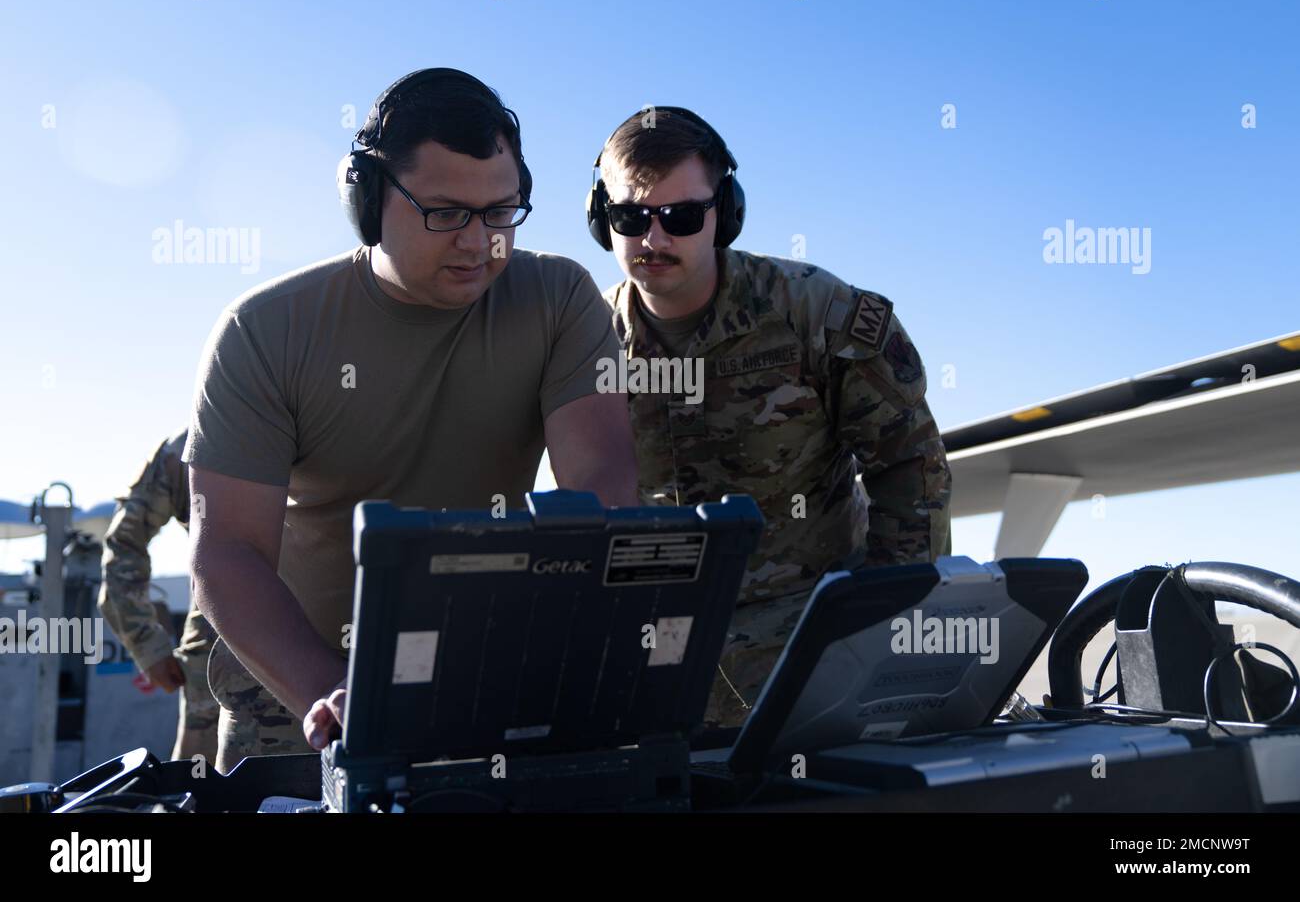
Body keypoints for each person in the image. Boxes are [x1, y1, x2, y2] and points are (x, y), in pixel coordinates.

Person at [185, 69, 638, 772]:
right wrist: (332, 689)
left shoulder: (560, 300)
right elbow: (226, 554)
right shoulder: (263, 331)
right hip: (294, 687)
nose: (478, 243)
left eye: (500, 213)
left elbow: (603, 487)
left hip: (487, 676)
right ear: (366, 202)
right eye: (446, 212)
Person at [589, 106, 953, 727]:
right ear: (602, 219)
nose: (654, 240)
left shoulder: (816, 313)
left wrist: (886, 627)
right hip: (657, 664)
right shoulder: (586, 340)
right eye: (631, 217)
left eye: (681, 216)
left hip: (814, 650)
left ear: (725, 213)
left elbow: (911, 467)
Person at [99, 428, 219, 764]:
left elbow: (124, 546)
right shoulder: (184, 450)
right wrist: (147, 645)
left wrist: (148, 645)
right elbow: (124, 546)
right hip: (223, 653)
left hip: (219, 651)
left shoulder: (187, 446)